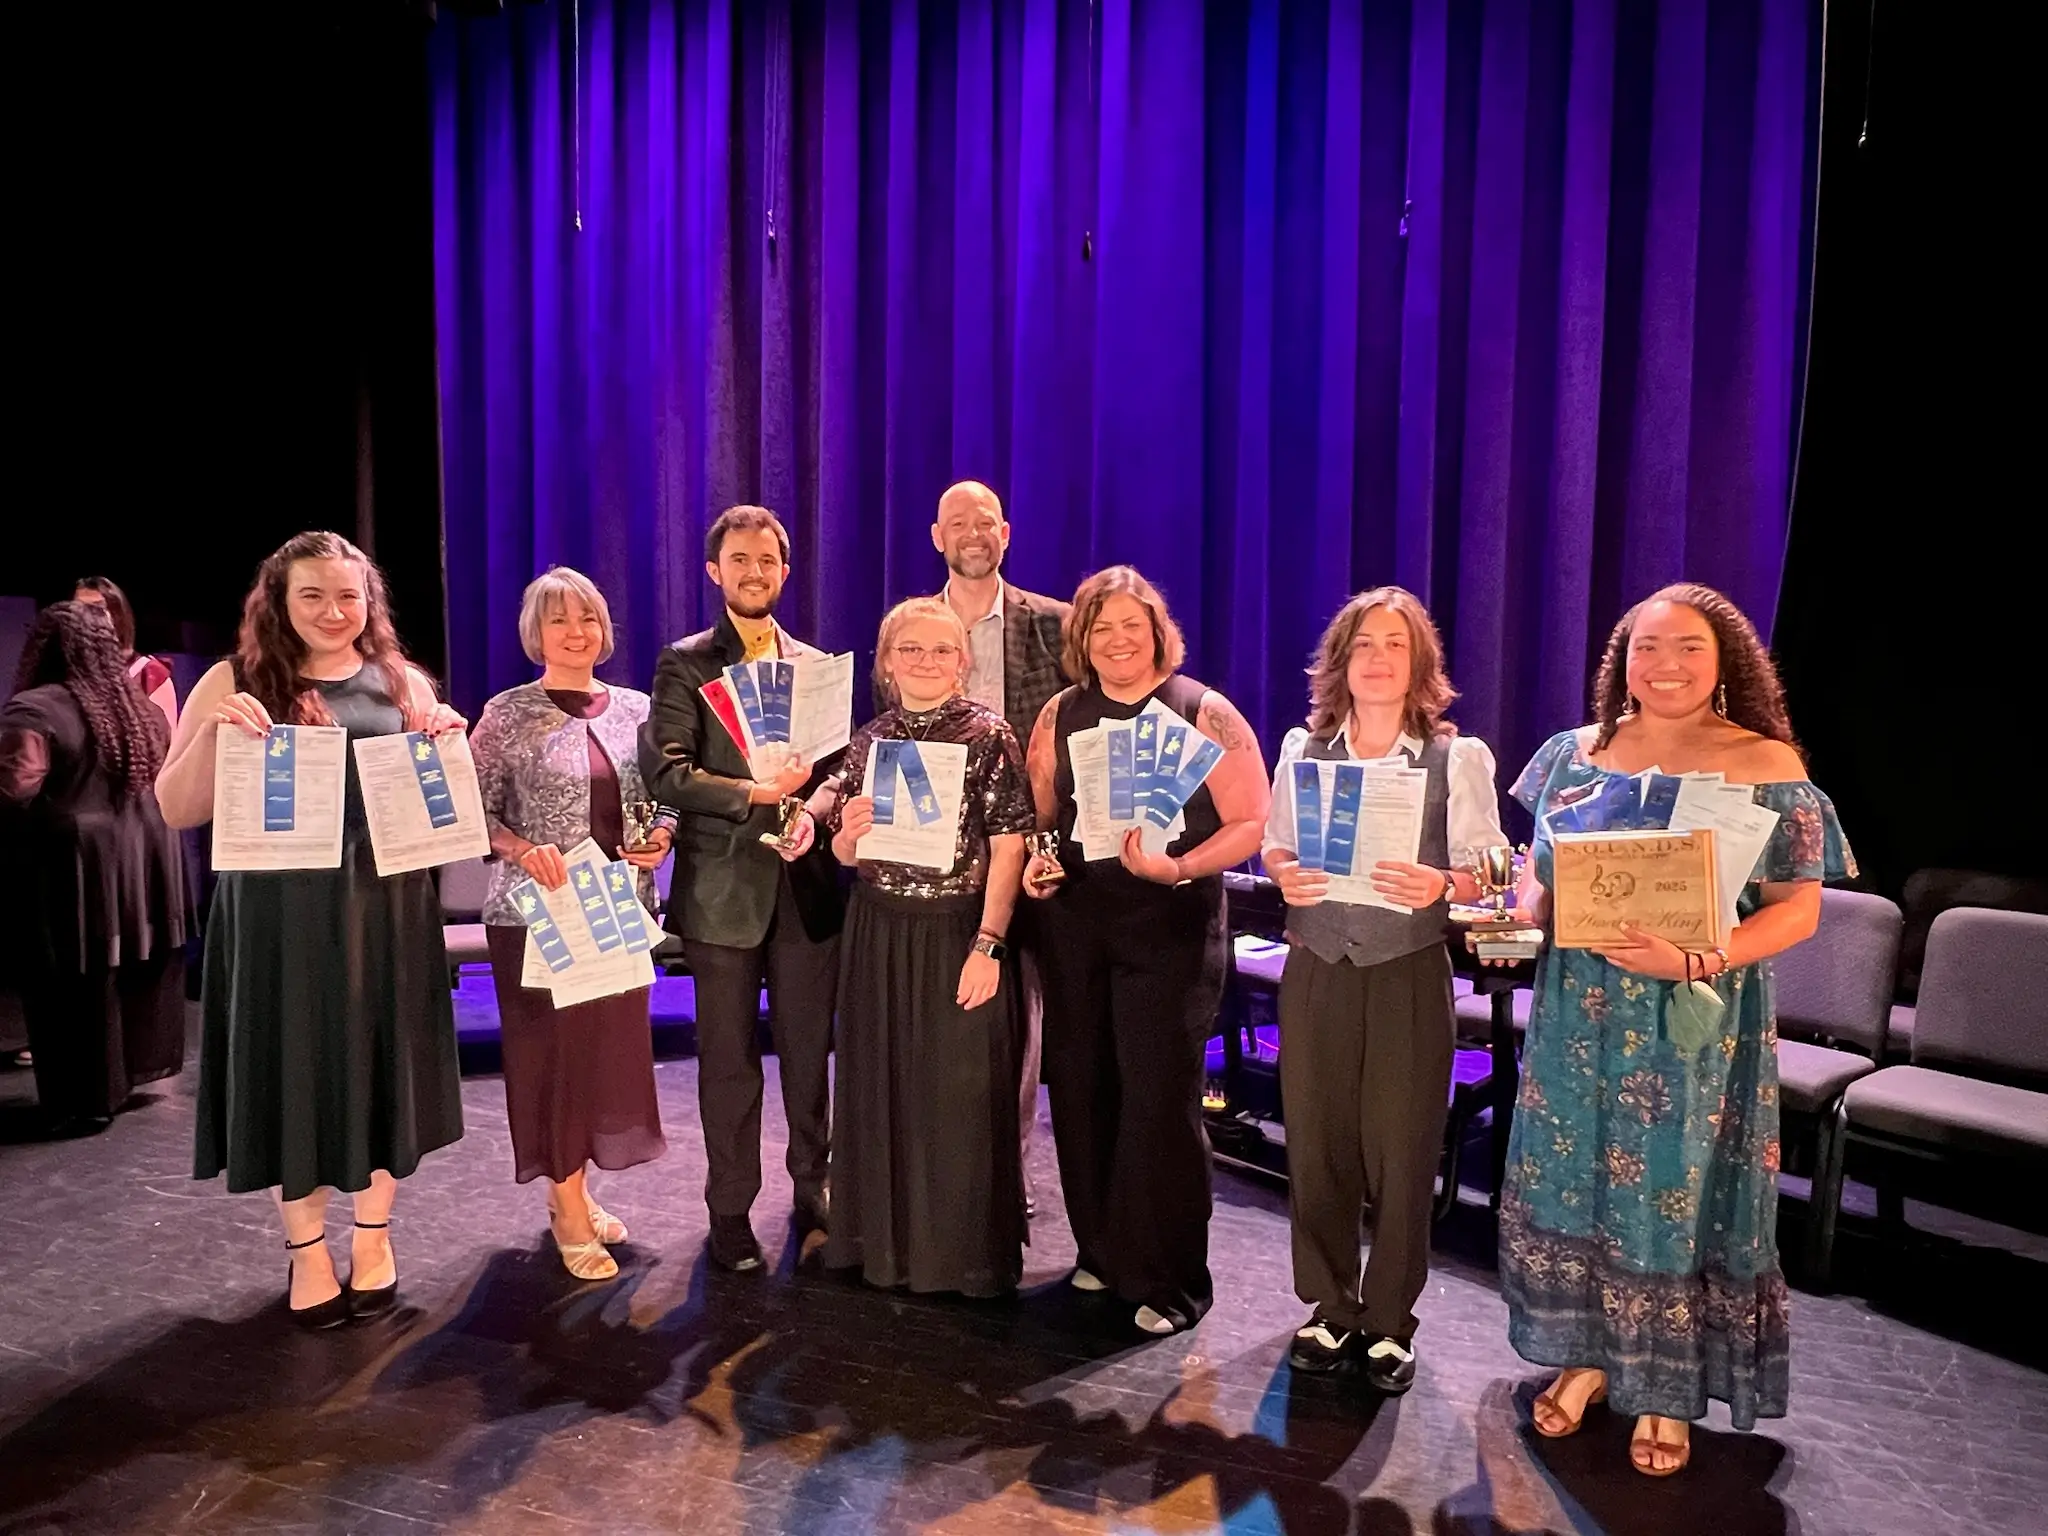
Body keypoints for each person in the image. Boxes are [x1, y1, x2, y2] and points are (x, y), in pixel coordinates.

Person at [1500, 583, 1852, 1476]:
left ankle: (1667, 1388)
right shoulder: (1570, 756)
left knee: (1676, 1191)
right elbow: (1537, 880)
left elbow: (1798, 912)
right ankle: (1586, 1356)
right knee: (1572, 1180)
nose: (1666, 666)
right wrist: (1515, 910)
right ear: (1623, 661)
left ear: (1723, 660)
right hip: (1576, 1013)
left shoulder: (1764, 762)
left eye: (1688, 648)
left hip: (1695, 1020)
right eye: (1647, 648)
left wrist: (1695, 960)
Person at [155, 531, 467, 1328]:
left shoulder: (404, 683)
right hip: (275, 919)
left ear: (370, 602)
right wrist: (218, 736)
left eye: (348, 595)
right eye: (312, 596)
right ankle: (304, 1255)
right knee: (292, 1071)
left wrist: (446, 750)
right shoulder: (235, 679)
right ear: (279, 602)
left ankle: (372, 1240)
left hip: (381, 909)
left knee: (375, 1069)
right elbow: (176, 806)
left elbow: (442, 810)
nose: (333, 612)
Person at [1259, 588, 1507, 1395]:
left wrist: (1445, 879)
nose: (1377, 657)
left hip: (1405, 969)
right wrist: (1282, 870)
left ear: (1419, 662)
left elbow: (1495, 869)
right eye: (1363, 643)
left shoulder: (1453, 757)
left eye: (1395, 644)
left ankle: (1391, 1319)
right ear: (1340, 659)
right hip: (1319, 965)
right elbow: (1275, 849)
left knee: (1402, 1152)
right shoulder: (1303, 748)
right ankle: (1329, 1303)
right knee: (1319, 1144)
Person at [1022, 567, 1271, 1335]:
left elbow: (1251, 821)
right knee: (1081, 1087)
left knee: (1158, 1103)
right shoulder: (1060, 713)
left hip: (1169, 924)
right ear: (1082, 640)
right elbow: (1041, 817)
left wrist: (1180, 866)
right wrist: (1040, 864)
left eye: (1133, 624)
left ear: (1159, 632)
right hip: (1074, 929)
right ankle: (1100, 1251)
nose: (1117, 640)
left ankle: (1172, 1280)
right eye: (1101, 627)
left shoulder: (1204, 711)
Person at [638, 505, 846, 1272]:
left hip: (807, 889)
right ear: (713, 571)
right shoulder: (685, 663)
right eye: (739, 560)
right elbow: (666, 772)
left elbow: (833, 775)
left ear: (785, 572)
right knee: (727, 1064)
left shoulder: (819, 667)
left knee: (805, 1056)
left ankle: (813, 1191)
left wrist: (814, 816)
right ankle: (729, 1210)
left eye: (768, 561)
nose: (754, 573)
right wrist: (756, 796)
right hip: (722, 894)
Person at [825, 598, 1034, 1295]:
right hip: (878, 932)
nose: (924, 661)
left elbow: (1009, 851)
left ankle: (959, 1260)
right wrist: (846, 841)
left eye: (940, 650)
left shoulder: (990, 736)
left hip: (956, 934)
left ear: (963, 661)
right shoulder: (871, 739)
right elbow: (849, 856)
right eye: (909, 649)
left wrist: (990, 943)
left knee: (959, 1100)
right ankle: (886, 1249)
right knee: (884, 1092)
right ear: (886, 662)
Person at [468, 567, 672, 1282]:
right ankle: (566, 1204)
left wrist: (662, 835)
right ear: (536, 633)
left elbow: (661, 800)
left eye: (587, 618)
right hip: (534, 918)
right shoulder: (505, 714)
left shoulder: (638, 710)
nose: (576, 632)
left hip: (617, 913)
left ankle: (578, 1185)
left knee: (602, 1059)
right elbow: (471, 811)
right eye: (560, 620)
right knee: (551, 1060)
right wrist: (524, 850)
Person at [902, 479, 1070, 1216]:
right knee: (938, 1023)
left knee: (1020, 1029)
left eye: (986, 521)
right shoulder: (912, 630)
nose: (973, 533)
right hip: (931, 859)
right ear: (936, 537)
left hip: (1031, 858)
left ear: (1007, 533)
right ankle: (933, 1172)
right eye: (957, 522)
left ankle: (1007, 1179)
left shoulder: (1056, 628)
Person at [0, 602, 188, 1130]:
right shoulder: (139, 708)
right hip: (141, 860)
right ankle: (121, 1080)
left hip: (76, 866)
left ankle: (83, 1095)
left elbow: (15, 786)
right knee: (123, 970)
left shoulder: (35, 710)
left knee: (75, 982)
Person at [74, 575, 179, 737]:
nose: (86, 617)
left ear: (117, 616)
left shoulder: (149, 674)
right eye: (78, 609)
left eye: (97, 608)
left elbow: (169, 745)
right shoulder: (67, 672)